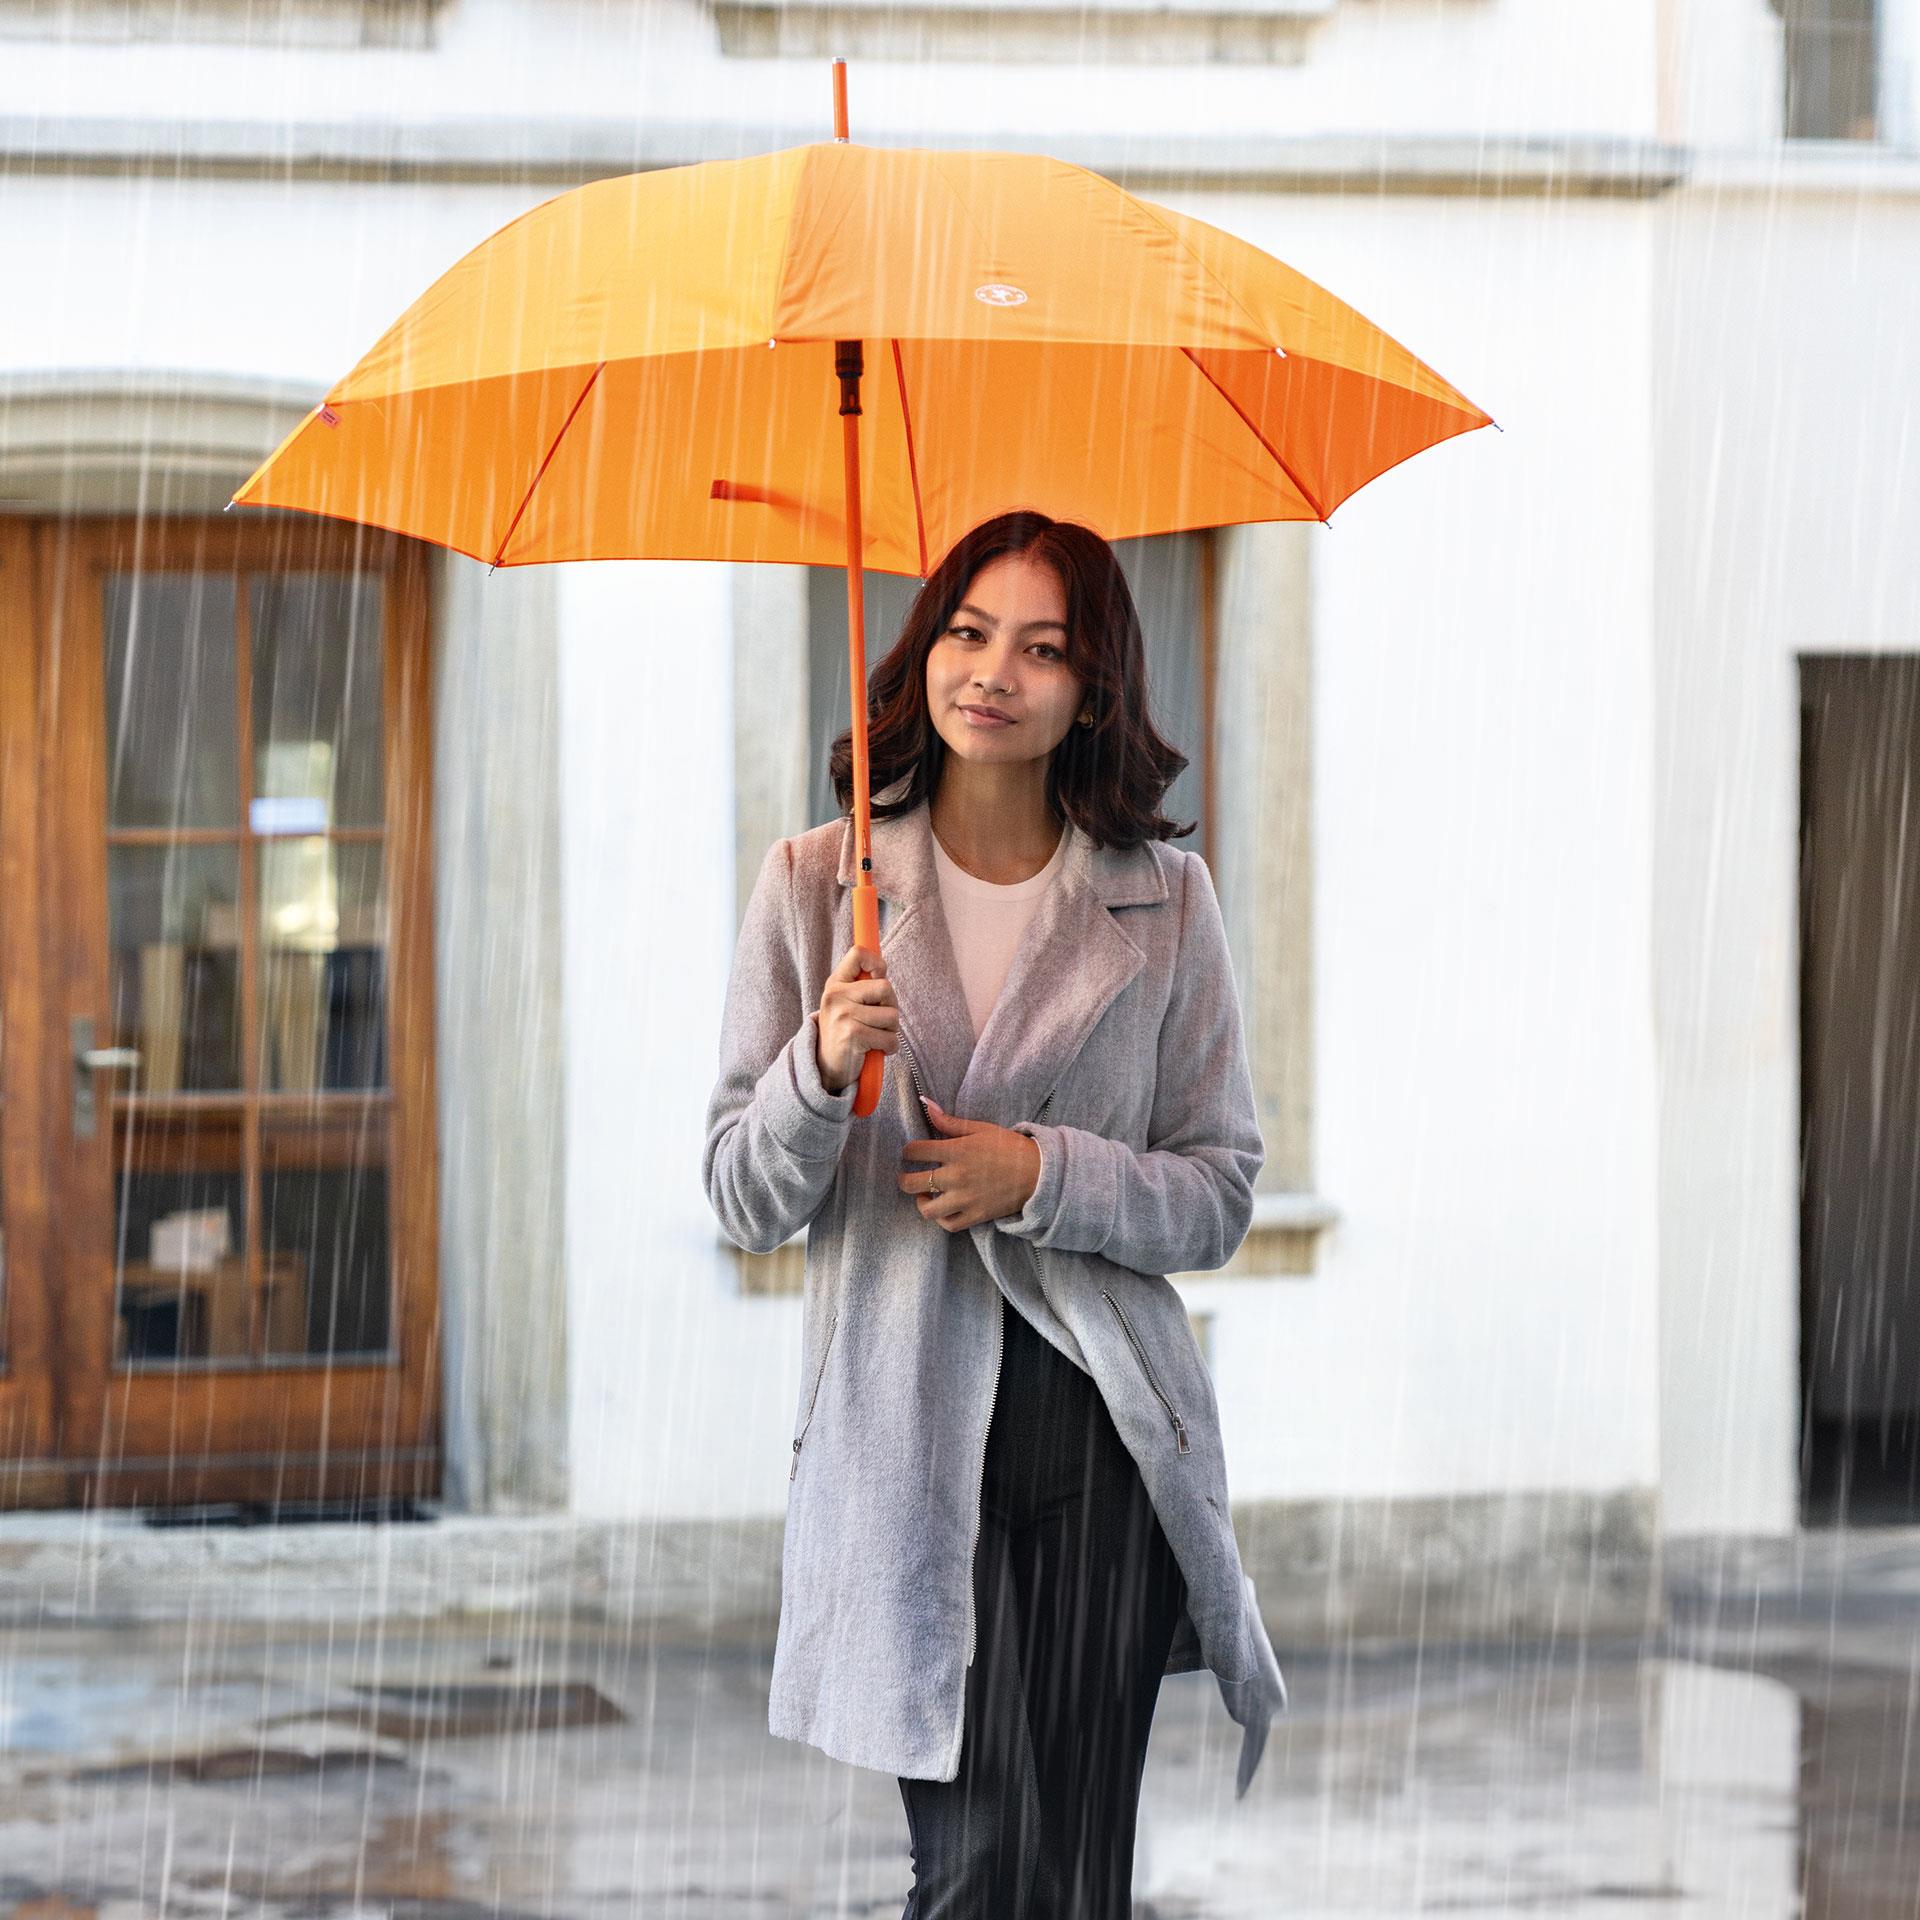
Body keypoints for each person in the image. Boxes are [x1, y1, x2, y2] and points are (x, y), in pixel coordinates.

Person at [703, 508, 1286, 1919]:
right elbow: (740, 1196)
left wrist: (1044, 1175)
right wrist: (823, 1065)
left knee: (1072, 1877)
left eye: (1043, 647)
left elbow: (1218, 1190)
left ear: (1093, 689)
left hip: (1102, 1431)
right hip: (909, 1440)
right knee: (973, 1870)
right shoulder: (815, 885)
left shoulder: (1165, 900)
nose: (994, 672)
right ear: (922, 649)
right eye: (968, 631)